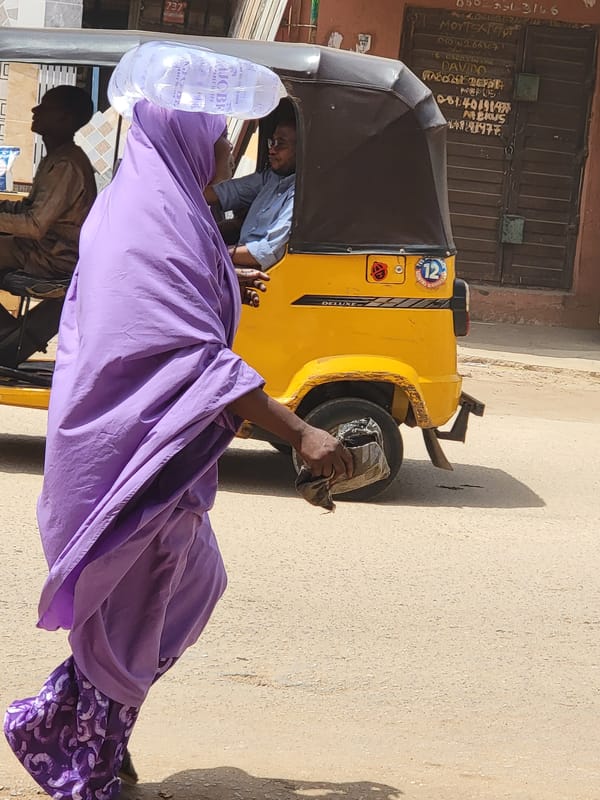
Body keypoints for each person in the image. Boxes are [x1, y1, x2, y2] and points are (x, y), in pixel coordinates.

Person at [3, 101, 352, 800]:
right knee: (135, 612)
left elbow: (182, 293)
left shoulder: (158, 205)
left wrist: (226, 280)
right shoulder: (146, 220)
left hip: (152, 452)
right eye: (218, 135)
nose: (227, 149)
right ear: (185, 139)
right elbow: (194, 357)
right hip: (130, 456)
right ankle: (77, 753)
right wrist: (302, 432)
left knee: (192, 585)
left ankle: (76, 725)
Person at [0, 85, 96, 283]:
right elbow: (30, 208)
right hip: (37, 248)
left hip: (53, 258)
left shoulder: (67, 164)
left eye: (44, 107)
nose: (35, 111)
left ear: (65, 118)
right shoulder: (57, 156)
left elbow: (34, 226)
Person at [204, 107, 296, 270]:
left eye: (280, 144)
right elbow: (228, 191)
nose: (272, 150)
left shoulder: (298, 196)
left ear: (300, 150)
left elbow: (266, 252)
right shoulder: (270, 178)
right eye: (271, 142)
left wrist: (214, 254)